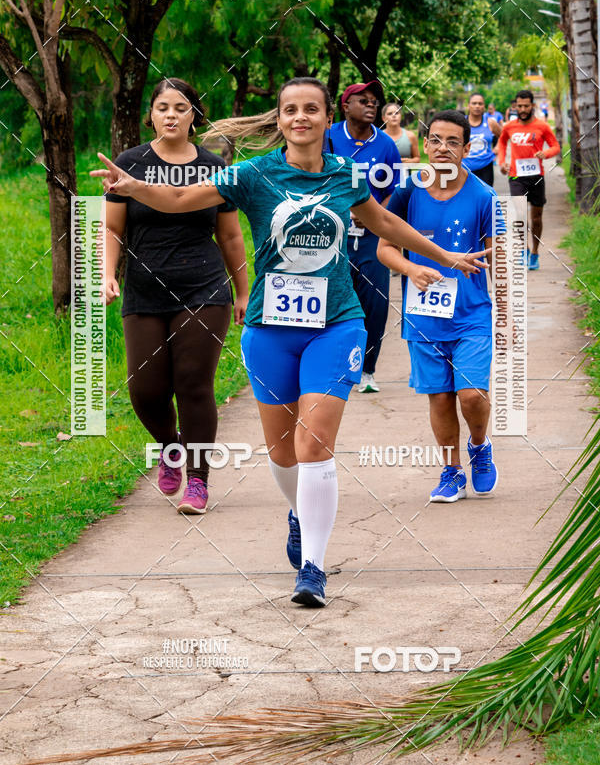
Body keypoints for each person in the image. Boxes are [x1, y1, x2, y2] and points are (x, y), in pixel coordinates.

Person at [92, 77, 489, 607]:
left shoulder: (346, 176)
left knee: (313, 445)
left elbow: (386, 221)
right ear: (279, 120)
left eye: (311, 109)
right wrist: (135, 187)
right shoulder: (254, 175)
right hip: (269, 331)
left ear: (328, 119)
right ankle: (299, 511)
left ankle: (313, 568)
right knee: (282, 454)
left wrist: (444, 258)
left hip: (336, 324)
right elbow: (183, 197)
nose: (300, 117)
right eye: (289, 110)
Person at [103, 78, 249, 516]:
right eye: (163, 106)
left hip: (204, 288)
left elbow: (230, 235)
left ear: (193, 116)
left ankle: (199, 482)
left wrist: (243, 289)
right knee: (145, 389)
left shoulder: (213, 166)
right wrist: (108, 273)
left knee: (192, 382)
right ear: (150, 114)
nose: (171, 115)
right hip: (144, 290)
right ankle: (171, 448)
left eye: (181, 107)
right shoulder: (131, 163)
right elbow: (111, 227)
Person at [377, 109, 501, 504]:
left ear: (467, 148)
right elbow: (384, 247)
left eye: (453, 142)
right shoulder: (408, 191)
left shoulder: (484, 195)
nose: (443, 148)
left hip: (472, 313)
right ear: (425, 144)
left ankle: (479, 447)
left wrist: (507, 312)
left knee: (471, 395)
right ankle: (451, 473)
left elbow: (500, 256)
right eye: (435, 140)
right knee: (441, 397)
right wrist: (411, 268)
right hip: (424, 315)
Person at [325, 81, 403, 394]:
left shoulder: (385, 145)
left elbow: (395, 190)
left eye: (374, 101)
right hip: (333, 236)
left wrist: (373, 214)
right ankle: (335, 366)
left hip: (372, 237)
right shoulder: (328, 138)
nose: (371, 105)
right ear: (345, 106)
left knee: (376, 302)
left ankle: (367, 370)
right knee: (335, 301)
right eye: (363, 100)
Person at [497, 89, 560, 270]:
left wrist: (545, 153)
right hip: (516, 176)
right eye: (519, 106)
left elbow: (555, 146)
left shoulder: (542, 126)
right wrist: (502, 162)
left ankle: (534, 253)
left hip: (536, 176)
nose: (522, 109)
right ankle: (523, 250)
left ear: (532, 106)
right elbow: (501, 143)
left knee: (537, 218)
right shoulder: (509, 126)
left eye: (526, 106)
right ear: (515, 106)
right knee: (520, 214)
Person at [462, 92, 501, 187]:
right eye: (474, 103)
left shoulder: (490, 122)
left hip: (486, 166)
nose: (477, 106)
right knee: (467, 198)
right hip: (465, 167)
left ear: (484, 106)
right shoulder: (461, 123)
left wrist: (498, 147)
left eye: (480, 103)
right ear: (468, 106)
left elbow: (503, 136)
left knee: (485, 197)